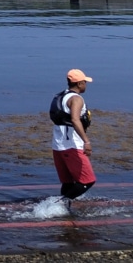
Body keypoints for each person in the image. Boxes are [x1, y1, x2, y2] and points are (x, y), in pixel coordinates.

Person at [50, 68, 96, 200]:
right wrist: (86, 142)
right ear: (79, 83)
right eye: (85, 82)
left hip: (58, 146)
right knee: (87, 182)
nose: (86, 85)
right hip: (71, 146)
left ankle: (63, 209)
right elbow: (75, 119)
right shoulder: (76, 99)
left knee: (68, 182)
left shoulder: (62, 96)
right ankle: (56, 205)